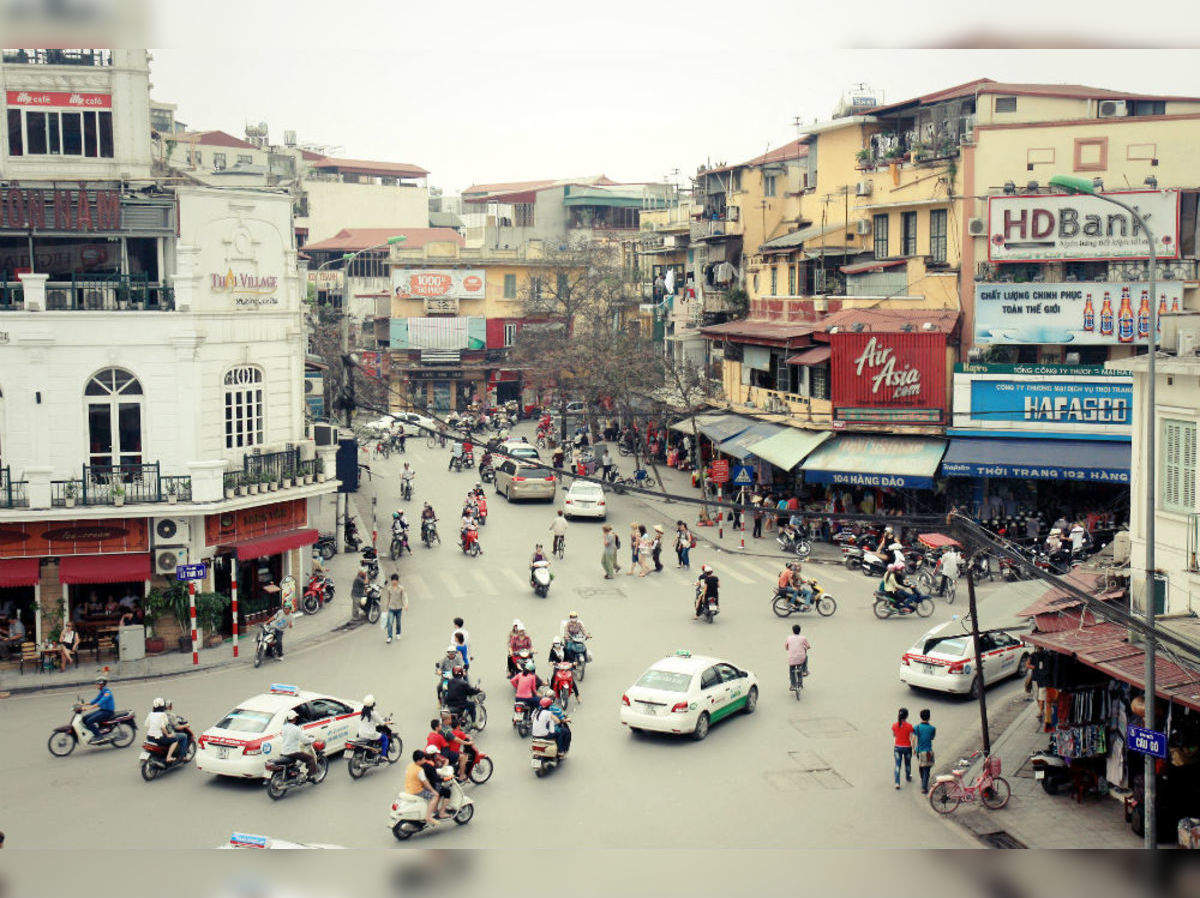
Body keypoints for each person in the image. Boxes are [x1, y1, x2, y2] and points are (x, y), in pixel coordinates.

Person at [278, 709, 317, 781]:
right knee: (310, 758)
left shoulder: (283, 727)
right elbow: (304, 740)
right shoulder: (296, 729)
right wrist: (312, 740)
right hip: (293, 752)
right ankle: (310, 776)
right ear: (295, 718)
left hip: (284, 751)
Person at [144, 696, 183, 763]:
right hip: (158, 738)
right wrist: (168, 735)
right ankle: (168, 757)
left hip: (149, 737)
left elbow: (146, 725)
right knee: (175, 740)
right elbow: (163, 727)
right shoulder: (163, 715)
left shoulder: (150, 714)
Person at [358, 695, 390, 759]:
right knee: (385, 738)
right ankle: (383, 755)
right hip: (370, 734)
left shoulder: (362, 712)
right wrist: (389, 722)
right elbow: (382, 723)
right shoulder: (374, 713)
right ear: (373, 704)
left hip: (361, 733)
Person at [914, 709, 937, 794]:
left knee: (921, 765)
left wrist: (914, 748)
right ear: (929, 717)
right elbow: (932, 737)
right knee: (927, 769)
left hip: (919, 751)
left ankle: (923, 778)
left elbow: (914, 738)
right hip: (927, 752)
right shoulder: (932, 728)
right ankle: (924, 787)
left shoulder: (917, 727)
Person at [892, 708, 915, 789]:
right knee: (907, 764)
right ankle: (908, 777)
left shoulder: (894, 725)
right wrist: (913, 747)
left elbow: (894, 735)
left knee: (898, 765)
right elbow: (912, 737)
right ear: (907, 716)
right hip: (907, 748)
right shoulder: (909, 726)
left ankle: (897, 783)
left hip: (897, 747)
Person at [785, 624, 811, 691]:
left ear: (793, 631)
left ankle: (793, 685)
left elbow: (786, 647)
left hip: (792, 659)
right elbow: (808, 646)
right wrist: (805, 648)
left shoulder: (789, 638)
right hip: (801, 658)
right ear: (800, 631)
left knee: (791, 670)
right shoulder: (803, 638)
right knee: (804, 659)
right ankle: (803, 673)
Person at [384, 574, 407, 644]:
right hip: (391, 608)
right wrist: (386, 606)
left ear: (397, 581)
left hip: (399, 608)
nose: (394, 582)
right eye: (393, 580)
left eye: (395, 580)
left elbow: (404, 597)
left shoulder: (401, 588)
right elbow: (388, 598)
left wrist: (405, 605)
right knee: (390, 623)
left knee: (398, 622)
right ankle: (389, 636)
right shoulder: (389, 589)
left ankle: (398, 633)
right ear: (391, 581)